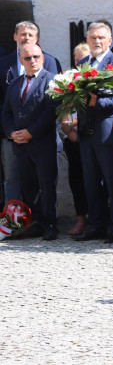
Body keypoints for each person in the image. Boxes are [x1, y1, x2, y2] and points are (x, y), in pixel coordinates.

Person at [73, 21, 113, 243]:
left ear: (110, 41)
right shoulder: (83, 63)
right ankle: (96, 225)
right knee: (91, 181)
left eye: (101, 37)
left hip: (109, 132)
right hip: (87, 131)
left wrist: (97, 102)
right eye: (93, 37)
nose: (97, 41)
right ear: (87, 40)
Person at [2, 43, 59, 239]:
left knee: (46, 186)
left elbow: (50, 112)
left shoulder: (52, 80)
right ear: (21, 61)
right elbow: (7, 112)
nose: (33, 61)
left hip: (42, 144)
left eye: (36, 56)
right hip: (20, 145)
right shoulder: (15, 83)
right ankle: (35, 223)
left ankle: (50, 224)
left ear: (42, 58)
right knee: (29, 187)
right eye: (28, 58)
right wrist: (11, 133)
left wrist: (31, 133)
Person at [0, 21, 61, 204]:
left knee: (44, 181)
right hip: (12, 135)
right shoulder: (3, 63)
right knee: (12, 177)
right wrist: (11, 131)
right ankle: (15, 220)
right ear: (15, 37)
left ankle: (45, 221)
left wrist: (32, 131)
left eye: (30, 35)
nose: (26, 37)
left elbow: (54, 100)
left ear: (37, 39)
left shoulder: (50, 61)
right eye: (22, 34)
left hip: (41, 136)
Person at [60, 41, 91, 236]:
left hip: (91, 137)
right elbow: (63, 110)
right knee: (76, 180)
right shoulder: (66, 80)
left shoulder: (97, 79)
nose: (80, 62)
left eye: (84, 59)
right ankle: (81, 219)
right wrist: (68, 129)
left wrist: (76, 125)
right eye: (77, 59)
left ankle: (98, 218)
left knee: (96, 180)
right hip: (73, 139)